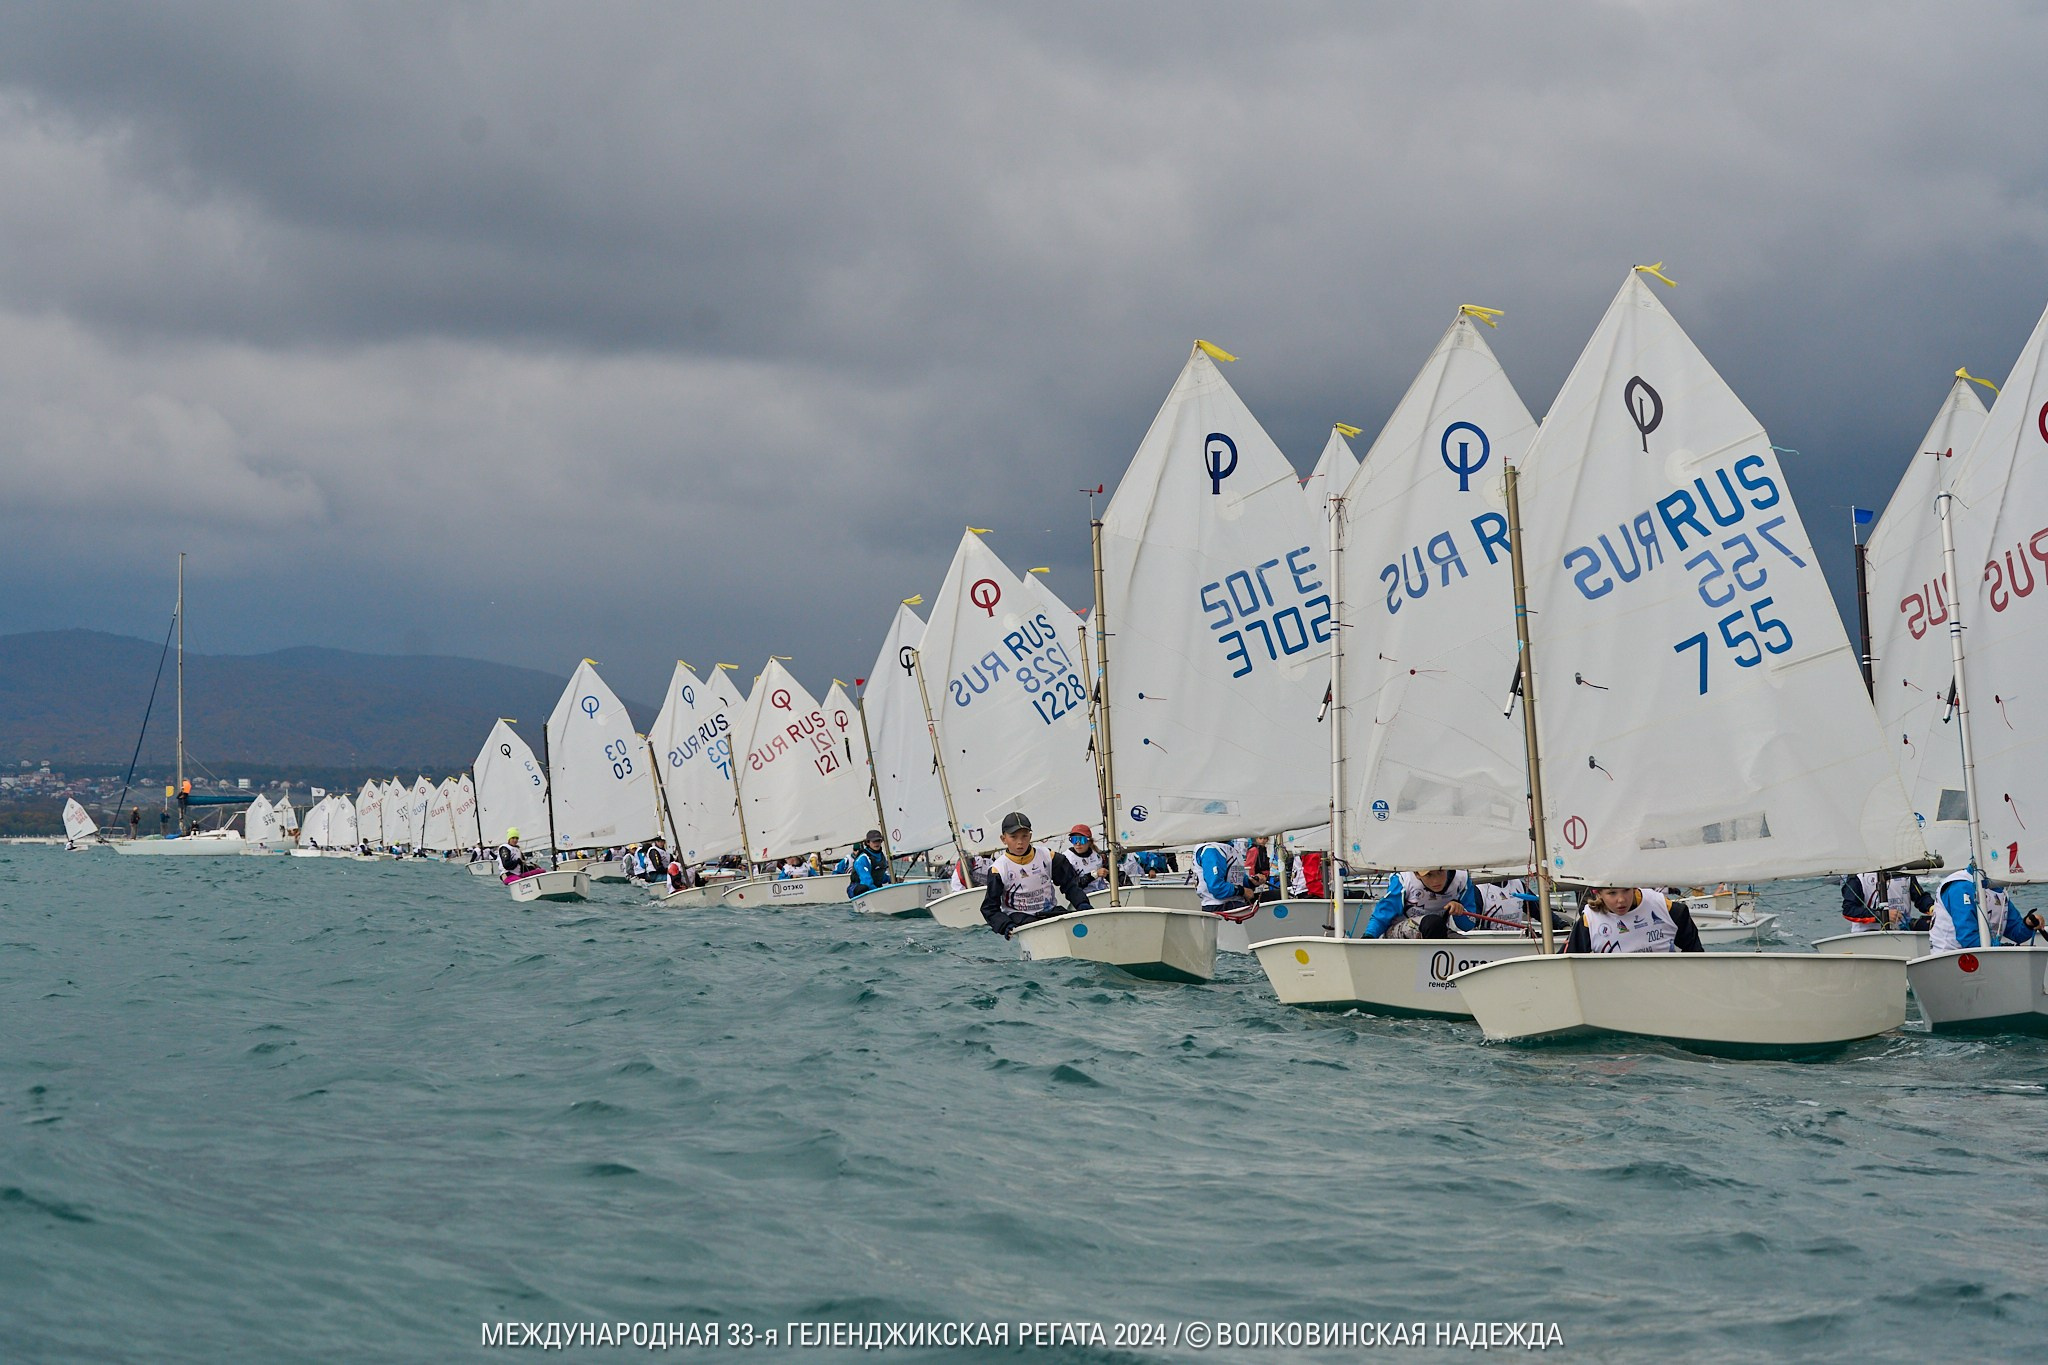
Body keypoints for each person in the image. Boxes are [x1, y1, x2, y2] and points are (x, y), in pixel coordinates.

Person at [979, 811, 1094, 937]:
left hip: (1049, 911)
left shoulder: (1049, 857)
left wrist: (1082, 904)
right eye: (1014, 837)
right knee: (1033, 926)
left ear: (1030, 836)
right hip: (1020, 917)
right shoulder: (998, 869)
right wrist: (1005, 925)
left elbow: (1070, 885)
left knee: (1071, 921)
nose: (1020, 842)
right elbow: (989, 908)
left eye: (1024, 836)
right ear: (1003, 839)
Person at [1564, 885, 1705, 953]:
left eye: (1626, 890)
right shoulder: (1589, 921)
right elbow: (1567, 963)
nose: (1621, 900)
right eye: (1612, 893)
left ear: (1634, 888)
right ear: (1599, 893)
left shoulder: (1665, 907)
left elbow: (1696, 953)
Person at [1929, 871, 2044, 951]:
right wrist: (2002, 948)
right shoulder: (1960, 887)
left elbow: (2016, 933)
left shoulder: (1998, 888)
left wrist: (2028, 924)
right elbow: (1968, 939)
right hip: (1949, 958)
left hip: (1985, 956)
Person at [1356, 868, 1485, 938]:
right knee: (1433, 923)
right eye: (1429, 875)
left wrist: (1459, 912)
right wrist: (1368, 937)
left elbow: (1467, 925)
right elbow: (1382, 915)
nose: (1436, 880)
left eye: (1440, 872)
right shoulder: (1404, 880)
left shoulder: (1461, 879)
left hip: (1437, 931)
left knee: (1470, 948)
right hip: (1397, 933)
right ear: (1417, 874)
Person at [1840, 869, 1934, 933]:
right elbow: (1849, 910)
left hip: (1903, 931)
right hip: (1868, 934)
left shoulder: (1905, 872)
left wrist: (1931, 907)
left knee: (1932, 925)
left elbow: (1920, 898)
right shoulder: (1858, 876)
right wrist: (1881, 915)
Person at [1193, 840, 1257, 918]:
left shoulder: (1231, 847)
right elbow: (1216, 888)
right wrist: (1242, 891)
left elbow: (1237, 879)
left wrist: (1251, 882)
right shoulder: (1212, 850)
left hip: (1233, 903)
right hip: (1220, 906)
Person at [1058, 824, 1109, 893]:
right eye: (1074, 840)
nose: (1078, 844)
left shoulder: (1098, 855)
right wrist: (1094, 875)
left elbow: (1113, 873)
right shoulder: (1067, 858)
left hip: (1102, 892)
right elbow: (1071, 885)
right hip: (1083, 896)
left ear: (1089, 841)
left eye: (1081, 840)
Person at [847, 830, 894, 899]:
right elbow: (866, 881)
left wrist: (892, 879)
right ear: (868, 842)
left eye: (878, 840)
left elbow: (880, 876)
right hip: (858, 888)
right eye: (874, 841)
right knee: (864, 888)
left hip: (874, 887)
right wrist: (880, 894)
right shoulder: (863, 859)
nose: (876, 843)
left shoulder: (882, 856)